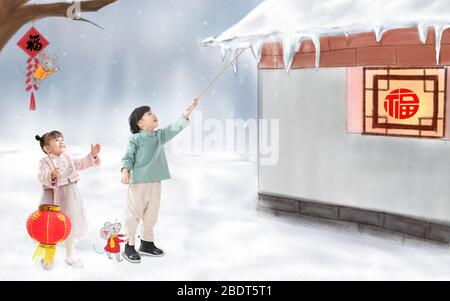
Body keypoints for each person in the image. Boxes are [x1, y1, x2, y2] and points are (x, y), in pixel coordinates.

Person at [121, 98, 198, 263]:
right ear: (140, 123)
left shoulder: (159, 136)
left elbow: (173, 129)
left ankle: (147, 243)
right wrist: (125, 170)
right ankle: (129, 244)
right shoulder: (134, 139)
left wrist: (186, 113)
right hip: (138, 184)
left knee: (151, 215)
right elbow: (128, 156)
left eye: (153, 112)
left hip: (155, 182)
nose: (154, 114)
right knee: (133, 215)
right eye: (149, 113)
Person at [36, 131, 101, 270]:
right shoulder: (45, 161)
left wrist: (92, 156)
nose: (61, 142)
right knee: (52, 226)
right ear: (47, 148)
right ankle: (48, 257)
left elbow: (80, 164)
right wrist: (51, 175)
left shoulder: (68, 157)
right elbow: (41, 176)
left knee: (70, 223)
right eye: (56, 140)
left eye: (62, 139)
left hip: (70, 195)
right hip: (53, 197)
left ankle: (70, 254)